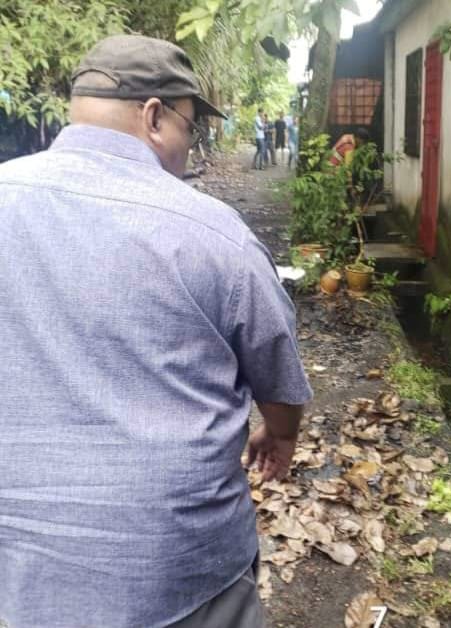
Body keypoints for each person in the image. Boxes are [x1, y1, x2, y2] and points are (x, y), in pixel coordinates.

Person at [0, 34, 312, 628]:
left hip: (20, 565)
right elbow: (279, 372)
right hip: (178, 568)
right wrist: (280, 434)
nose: (189, 148)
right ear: (152, 116)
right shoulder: (213, 233)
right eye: (190, 129)